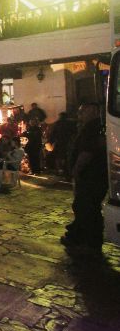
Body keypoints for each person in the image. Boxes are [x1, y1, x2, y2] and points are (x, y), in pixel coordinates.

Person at [61, 103, 107, 254]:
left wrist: (76, 170)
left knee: (86, 207)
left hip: (90, 177)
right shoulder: (95, 127)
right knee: (87, 207)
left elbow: (87, 152)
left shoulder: (92, 129)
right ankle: (84, 238)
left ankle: (90, 241)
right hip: (94, 176)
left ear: (92, 111)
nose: (79, 115)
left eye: (82, 112)